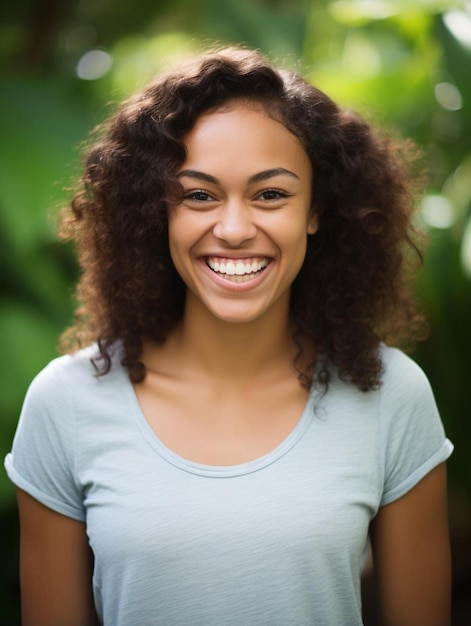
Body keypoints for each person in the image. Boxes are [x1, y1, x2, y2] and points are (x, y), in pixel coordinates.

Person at [5, 45, 453, 626]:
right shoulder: (66, 403)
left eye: (271, 194)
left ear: (317, 209)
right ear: (155, 211)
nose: (236, 229)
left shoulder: (393, 395)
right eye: (198, 195)